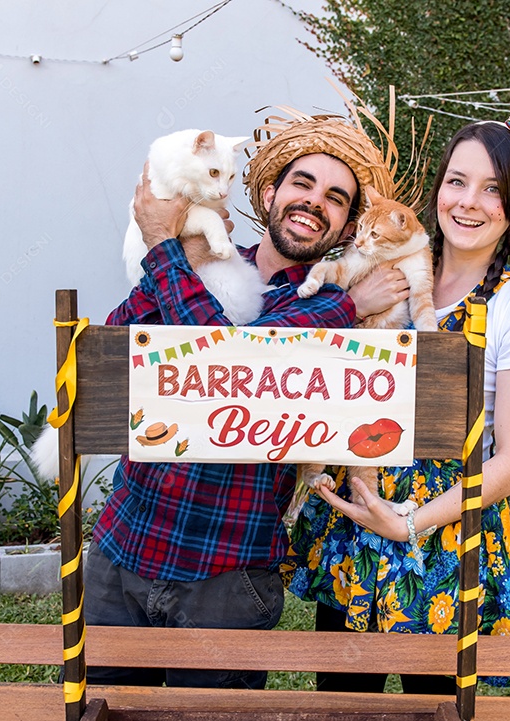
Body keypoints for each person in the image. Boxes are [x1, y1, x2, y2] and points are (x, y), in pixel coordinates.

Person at [84, 110, 410, 690]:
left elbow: (223, 361)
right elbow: (114, 349)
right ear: (268, 193)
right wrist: (172, 264)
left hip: (227, 578)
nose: (315, 202)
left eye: (336, 198)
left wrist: (164, 245)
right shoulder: (202, 259)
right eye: (302, 184)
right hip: (123, 552)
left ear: (346, 224)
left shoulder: (329, 307)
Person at [282, 116, 510, 694]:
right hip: (355, 516)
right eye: (456, 181)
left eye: (491, 189)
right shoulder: (381, 267)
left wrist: (408, 522)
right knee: (342, 702)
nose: (468, 202)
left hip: (439, 534)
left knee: (431, 706)